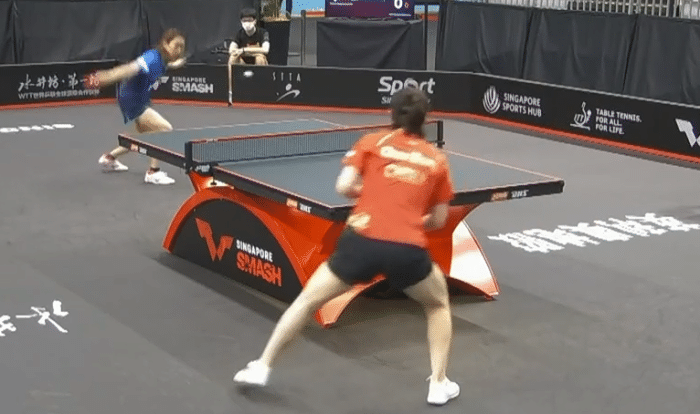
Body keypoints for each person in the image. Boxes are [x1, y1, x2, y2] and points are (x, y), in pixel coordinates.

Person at [232, 88, 460, 406]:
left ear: (392, 114)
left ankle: (262, 366)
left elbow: (343, 186)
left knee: (307, 301)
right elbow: (438, 220)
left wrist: (372, 193)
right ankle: (438, 383)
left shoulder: (372, 142)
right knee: (437, 305)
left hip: (361, 241)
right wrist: (407, 216)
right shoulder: (437, 160)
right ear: (425, 118)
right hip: (406, 249)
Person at [85, 28, 187, 185]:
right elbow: (129, 69)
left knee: (141, 136)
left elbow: (166, 64)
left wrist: (175, 64)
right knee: (164, 129)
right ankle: (153, 173)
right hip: (132, 100)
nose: (179, 50)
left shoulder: (163, 60)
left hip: (139, 99)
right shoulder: (152, 57)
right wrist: (105, 77)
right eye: (176, 46)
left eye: (181, 47)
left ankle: (109, 158)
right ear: (165, 44)